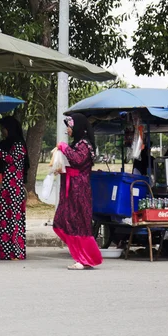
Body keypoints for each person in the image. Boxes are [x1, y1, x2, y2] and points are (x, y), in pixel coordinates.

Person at [54, 113, 103, 270]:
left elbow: (77, 160)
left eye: (69, 126)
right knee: (64, 220)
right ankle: (80, 256)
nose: (68, 130)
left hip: (78, 189)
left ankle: (83, 258)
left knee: (78, 222)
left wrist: (64, 148)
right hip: (71, 187)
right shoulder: (79, 143)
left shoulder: (84, 145)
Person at [0, 116, 29, 260]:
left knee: (11, 218)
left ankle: (13, 252)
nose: (2, 132)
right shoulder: (4, 143)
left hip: (13, 187)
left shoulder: (19, 145)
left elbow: (11, 159)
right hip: (1, 186)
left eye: (4, 129)